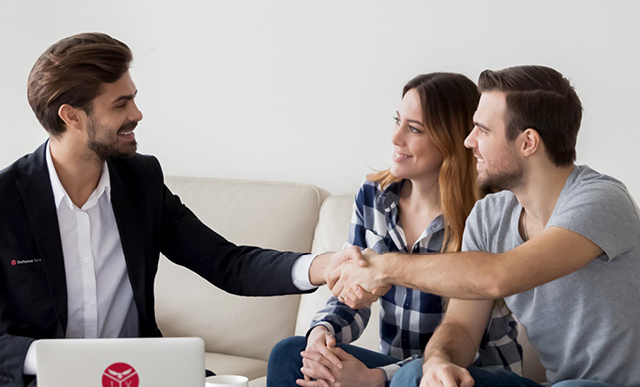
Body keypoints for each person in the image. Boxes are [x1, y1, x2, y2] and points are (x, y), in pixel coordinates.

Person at [0, 32, 366, 387]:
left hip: (141, 376)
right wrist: (54, 360)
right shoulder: (5, 201)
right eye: (120, 104)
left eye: (134, 99)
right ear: (71, 116)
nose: (137, 113)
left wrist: (323, 266)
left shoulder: (140, 181)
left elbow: (226, 262)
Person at [330, 65, 640, 386]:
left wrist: (382, 267)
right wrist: (438, 361)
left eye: (483, 130)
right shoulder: (489, 215)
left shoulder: (601, 200)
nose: (468, 141)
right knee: (412, 374)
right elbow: (462, 327)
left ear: (528, 142)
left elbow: (499, 276)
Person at [267, 73, 523, 387]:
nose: (395, 137)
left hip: (469, 374)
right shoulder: (374, 195)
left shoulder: (487, 213)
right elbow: (353, 294)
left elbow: (465, 343)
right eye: (397, 120)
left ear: (454, 139)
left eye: (414, 129)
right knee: (290, 353)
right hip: (397, 370)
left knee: (412, 375)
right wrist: (323, 336)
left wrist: (376, 378)